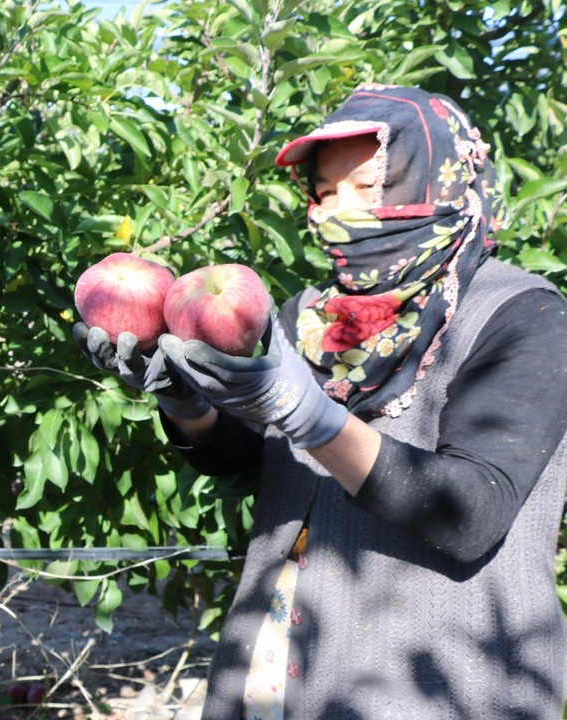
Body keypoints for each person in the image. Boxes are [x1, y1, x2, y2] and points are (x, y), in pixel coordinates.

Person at [76, 84, 567, 718]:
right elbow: (251, 456)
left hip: (435, 685)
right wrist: (184, 401)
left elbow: (470, 512)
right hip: (272, 667)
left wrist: (312, 417)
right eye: (326, 191)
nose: (340, 212)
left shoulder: (522, 317)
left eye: (370, 188)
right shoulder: (309, 318)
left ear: (441, 182)